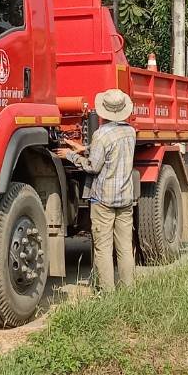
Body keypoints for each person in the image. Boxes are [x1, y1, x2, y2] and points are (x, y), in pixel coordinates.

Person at [64, 87, 137, 293]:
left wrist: (70, 155)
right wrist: (84, 148)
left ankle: (107, 292)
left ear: (104, 111)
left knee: (103, 247)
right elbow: (112, 150)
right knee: (124, 246)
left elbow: (92, 166)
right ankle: (128, 290)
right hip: (124, 198)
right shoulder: (130, 132)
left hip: (103, 200)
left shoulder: (100, 135)